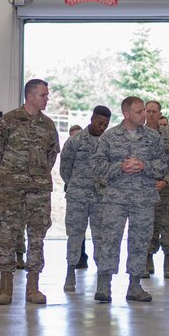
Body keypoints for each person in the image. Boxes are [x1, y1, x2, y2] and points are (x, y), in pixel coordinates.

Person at [0, 79, 60, 305]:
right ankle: (6, 289)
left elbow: (52, 154)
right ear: (30, 96)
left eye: (47, 95)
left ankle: (33, 288)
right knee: (7, 236)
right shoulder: (8, 121)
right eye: (43, 95)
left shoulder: (48, 125)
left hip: (38, 191)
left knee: (37, 238)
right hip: (11, 190)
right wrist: (5, 178)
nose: (47, 98)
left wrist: (37, 175)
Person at [92, 97, 169, 302]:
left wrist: (144, 166)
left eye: (144, 110)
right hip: (115, 198)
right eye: (139, 112)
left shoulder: (153, 138)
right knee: (110, 240)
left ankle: (135, 286)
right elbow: (97, 167)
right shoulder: (109, 138)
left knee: (140, 241)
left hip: (143, 198)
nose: (144, 114)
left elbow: (163, 165)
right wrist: (120, 168)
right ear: (126, 114)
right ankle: (104, 285)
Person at [60, 105, 111, 292]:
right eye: (99, 123)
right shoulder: (76, 141)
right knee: (75, 236)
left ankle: (102, 277)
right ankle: (70, 272)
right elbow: (65, 168)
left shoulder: (108, 142)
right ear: (91, 118)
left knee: (101, 238)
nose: (102, 127)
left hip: (101, 199)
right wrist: (75, 185)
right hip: (78, 198)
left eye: (106, 124)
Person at [144, 100, 169, 279]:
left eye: (154, 112)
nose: (151, 114)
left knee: (168, 226)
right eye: (148, 111)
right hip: (145, 189)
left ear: (160, 114)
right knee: (146, 226)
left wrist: (166, 181)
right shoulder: (138, 135)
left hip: (166, 190)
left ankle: (168, 262)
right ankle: (147, 260)